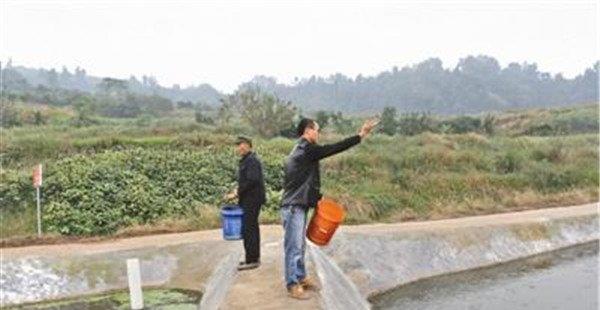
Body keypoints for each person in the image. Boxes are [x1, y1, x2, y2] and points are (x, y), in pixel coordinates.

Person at [281, 118, 378, 299]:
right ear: (308, 131)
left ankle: (300, 277)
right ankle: (292, 284)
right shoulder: (306, 149)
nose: (318, 134)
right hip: (293, 207)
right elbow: (333, 148)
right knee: (293, 246)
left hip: (298, 205)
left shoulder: (301, 150)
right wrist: (361, 135)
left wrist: (317, 198)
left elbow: (302, 179)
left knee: (299, 245)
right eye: (317, 130)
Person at [226, 136, 266, 271]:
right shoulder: (245, 160)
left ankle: (253, 259)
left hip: (253, 199)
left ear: (249, 146)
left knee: (250, 228)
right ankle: (251, 258)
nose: (240, 147)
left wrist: (237, 192)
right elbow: (246, 181)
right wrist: (238, 190)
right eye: (238, 145)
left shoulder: (252, 161)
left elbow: (252, 180)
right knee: (249, 228)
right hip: (248, 199)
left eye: (243, 144)